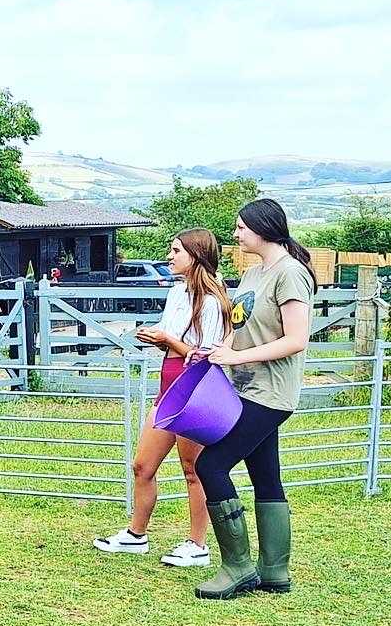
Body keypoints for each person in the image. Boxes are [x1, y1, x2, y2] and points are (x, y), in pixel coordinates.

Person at [192, 199, 316, 600]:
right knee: (266, 475)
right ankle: (274, 571)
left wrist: (236, 357)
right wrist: (215, 350)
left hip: (270, 393)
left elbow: (296, 340)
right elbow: (240, 327)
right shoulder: (253, 273)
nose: (236, 234)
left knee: (211, 463)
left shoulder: (290, 274)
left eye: (241, 227)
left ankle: (238, 566)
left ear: (263, 228)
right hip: (244, 387)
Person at [94, 229, 230, 566]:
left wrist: (167, 338)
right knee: (143, 464)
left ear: (195, 255)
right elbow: (173, 343)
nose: (169, 257)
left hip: (195, 391)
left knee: (192, 469)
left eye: (175, 251)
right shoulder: (176, 293)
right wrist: (158, 338)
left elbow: (205, 357)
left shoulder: (212, 302)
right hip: (168, 384)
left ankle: (197, 544)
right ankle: (136, 535)